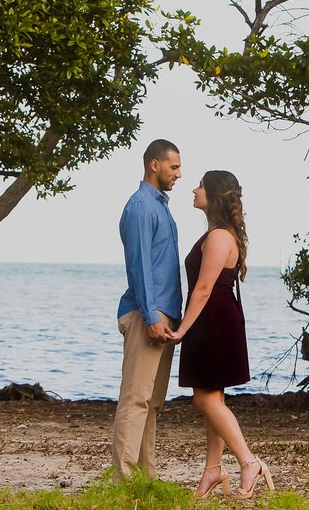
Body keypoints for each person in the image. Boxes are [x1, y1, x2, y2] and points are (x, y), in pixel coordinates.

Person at [168, 170, 274, 499]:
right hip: (213, 319)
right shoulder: (219, 233)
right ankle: (213, 469)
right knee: (214, 399)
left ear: (214, 194)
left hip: (212, 321)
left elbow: (202, 289)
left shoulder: (218, 237)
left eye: (200, 185)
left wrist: (182, 329)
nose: (194, 189)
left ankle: (248, 462)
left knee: (204, 399)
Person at [111, 139, 183, 481]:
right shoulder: (141, 206)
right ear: (154, 165)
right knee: (135, 398)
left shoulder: (161, 205)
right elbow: (139, 266)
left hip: (162, 314)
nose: (179, 174)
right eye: (174, 167)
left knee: (152, 402)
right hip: (146, 315)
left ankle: (146, 475)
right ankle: (124, 479)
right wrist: (152, 316)